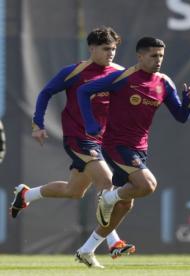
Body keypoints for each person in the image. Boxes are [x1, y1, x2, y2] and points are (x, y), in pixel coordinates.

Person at [9, 27, 134, 268]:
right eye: (106, 49)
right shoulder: (75, 71)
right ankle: (113, 243)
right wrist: (38, 124)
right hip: (78, 138)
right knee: (107, 183)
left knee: (74, 191)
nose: (111, 53)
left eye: (114, 49)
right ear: (92, 48)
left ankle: (27, 194)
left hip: (102, 141)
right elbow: (45, 93)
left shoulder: (119, 73)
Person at [77, 37, 190, 235]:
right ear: (140, 56)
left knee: (125, 206)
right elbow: (83, 91)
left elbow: (181, 117)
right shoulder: (123, 77)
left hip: (140, 148)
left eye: (161, 55)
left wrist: (189, 103)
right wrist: (90, 123)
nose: (158, 60)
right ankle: (107, 198)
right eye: (153, 55)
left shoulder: (164, 82)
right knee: (148, 185)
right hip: (116, 145)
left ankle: (87, 249)